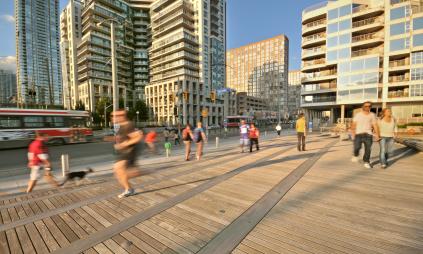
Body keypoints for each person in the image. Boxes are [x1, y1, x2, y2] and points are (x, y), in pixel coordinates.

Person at [112, 110, 143, 198]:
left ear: (122, 116)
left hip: (129, 152)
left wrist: (125, 144)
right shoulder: (120, 126)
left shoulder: (129, 125)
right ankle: (129, 189)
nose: (113, 118)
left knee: (118, 168)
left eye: (115, 116)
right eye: (113, 116)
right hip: (123, 152)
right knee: (117, 172)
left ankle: (129, 189)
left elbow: (138, 137)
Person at [351, 101, 380, 169]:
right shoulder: (358, 115)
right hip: (358, 134)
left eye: (369, 106)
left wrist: (377, 135)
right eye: (366, 106)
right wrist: (353, 134)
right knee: (357, 147)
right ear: (363, 107)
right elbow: (354, 124)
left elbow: (375, 125)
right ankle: (356, 155)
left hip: (368, 134)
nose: (368, 107)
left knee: (368, 149)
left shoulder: (372, 115)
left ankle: (366, 162)